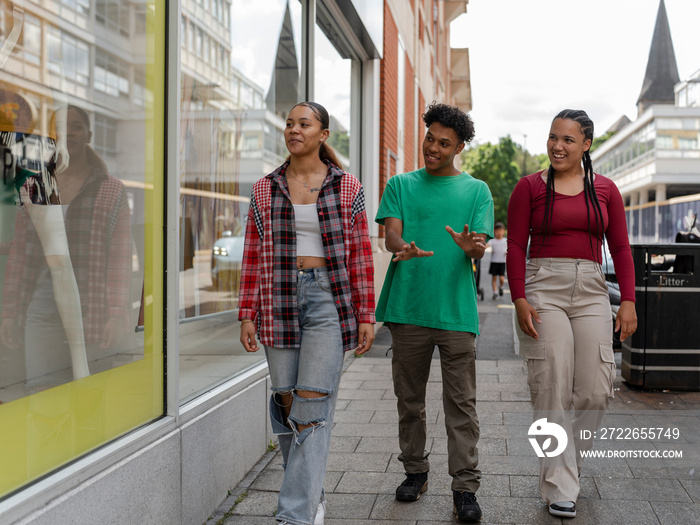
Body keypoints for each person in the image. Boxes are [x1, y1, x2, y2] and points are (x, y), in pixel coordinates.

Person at [238, 101, 375, 525]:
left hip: (326, 301)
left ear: (323, 134)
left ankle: (293, 515)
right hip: (276, 297)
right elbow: (252, 253)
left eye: (304, 123)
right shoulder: (264, 188)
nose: (294, 129)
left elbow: (360, 253)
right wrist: (247, 312)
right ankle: (310, 493)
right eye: (289, 123)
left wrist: (365, 313)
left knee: (312, 405)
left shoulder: (346, 186)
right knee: (286, 401)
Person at [506, 109, 637, 518]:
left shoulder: (606, 190)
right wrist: (519, 298)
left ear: (586, 145)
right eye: (552, 137)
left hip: (593, 287)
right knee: (552, 383)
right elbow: (513, 246)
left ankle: (567, 467)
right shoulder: (529, 188)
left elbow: (620, 248)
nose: (557, 146)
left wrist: (629, 300)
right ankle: (559, 482)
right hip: (544, 284)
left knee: (597, 387)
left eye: (567, 139)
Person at [375, 102, 493, 523]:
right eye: (430, 138)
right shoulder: (401, 184)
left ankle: (465, 487)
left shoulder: (477, 191)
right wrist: (399, 246)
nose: (434, 148)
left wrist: (472, 248)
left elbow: (479, 243)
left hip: (456, 313)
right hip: (407, 309)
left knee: (461, 404)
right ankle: (415, 472)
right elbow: (390, 232)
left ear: (459, 146)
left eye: (445, 143)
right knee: (410, 400)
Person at [1, 105, 133, 388]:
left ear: (89, 134)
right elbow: (21, 253)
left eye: (75, 126)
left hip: (93, 309)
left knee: (89, 400)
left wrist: (116, 313)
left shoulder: (111, 189)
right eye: (59, 127)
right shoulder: (35, 185)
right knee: (42, 394)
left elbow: (120, 258)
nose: (68, 132)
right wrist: (10, 312)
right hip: (41, 309)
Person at [486, 221, 507, 299]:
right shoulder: (492, 241)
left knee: (502, 278)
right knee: (494, 278)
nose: (498, 232)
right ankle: (495, 292)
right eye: (497, 231)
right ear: (494, 231)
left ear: (503, 231)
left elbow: (509, 249)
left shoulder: (505, 241)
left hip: (502, 262)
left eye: (500, 230)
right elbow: (487, 245)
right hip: (494, 262)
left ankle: (500, 287)